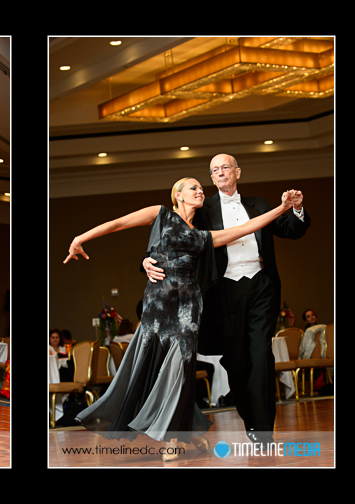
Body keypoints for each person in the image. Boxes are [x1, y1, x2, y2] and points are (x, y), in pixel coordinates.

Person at [64, 177, 298, 460]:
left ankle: (173, 438)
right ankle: (183, 429)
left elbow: (247, 227)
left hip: (188, 307)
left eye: (201, 188)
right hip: (157, 306)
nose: (200, 191)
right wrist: (80, 238)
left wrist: (282, 208)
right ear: (178, 195)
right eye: (194, 188)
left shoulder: (202, 233)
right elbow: (119, 223)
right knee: (149, 365)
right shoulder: (160, 214)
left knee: (181, 369)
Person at [143, 154, 310, 446]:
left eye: (225, 168)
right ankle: (250, 417)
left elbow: (289, 231)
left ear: (238, 172)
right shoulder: (203, 207)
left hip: (261, 285)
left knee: (260, 354)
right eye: (214, 170)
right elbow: (174, 233)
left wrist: (296, 210)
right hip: (224, 292)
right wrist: (147, 259)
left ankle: (263, 430)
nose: (220, 173)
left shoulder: (259, 204)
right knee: (236, 361)